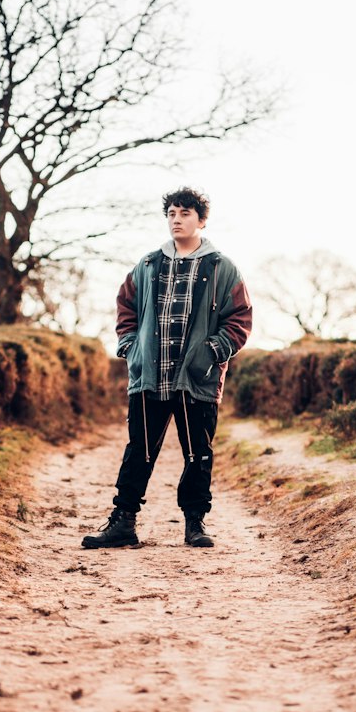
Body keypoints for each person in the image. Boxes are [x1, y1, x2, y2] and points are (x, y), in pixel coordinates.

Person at [82, 186, 252, 550]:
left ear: (201, 220)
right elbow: (126, 305)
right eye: (172, 214)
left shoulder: (222, 267)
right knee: (138, 450)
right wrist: (130, 346)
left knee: (197, 453)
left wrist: (214, 351)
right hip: (150, 376)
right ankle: (123, 523)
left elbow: (239, 317)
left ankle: (195, 525)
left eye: (185, 214)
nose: (177, 220)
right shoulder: (147, 264)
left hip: (197, 379)